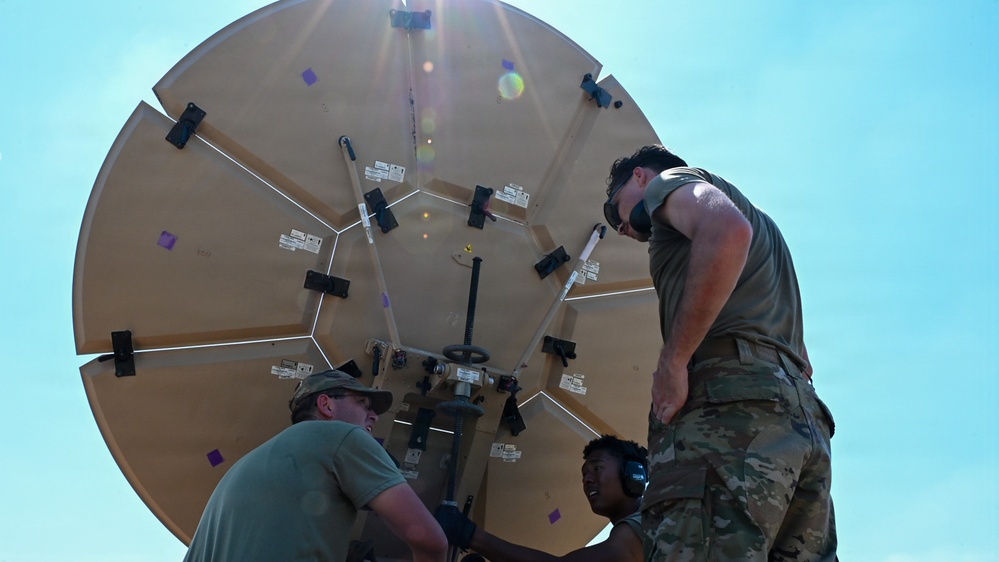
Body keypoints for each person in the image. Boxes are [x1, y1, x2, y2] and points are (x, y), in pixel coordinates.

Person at [602, 145, 837, 561]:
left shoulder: (669, 185)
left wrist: (673, 362)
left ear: (639, 177)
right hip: (803, 423)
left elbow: (728, 232)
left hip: (728, 417)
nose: (619, 226)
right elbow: (802, 354)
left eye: (613, 209)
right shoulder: (769, 230)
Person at [182, 369, 447, 562]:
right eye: (362, 403)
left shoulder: (244, 466)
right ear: (326, 405)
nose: (374, 415)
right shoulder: (342, 437)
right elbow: (431, 542)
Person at [434, 435, 646, 562]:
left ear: (633, 473)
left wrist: (470, 534)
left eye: (597, 468)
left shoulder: (645, 524)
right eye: (584, 474)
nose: (587, 480)